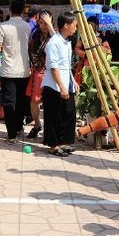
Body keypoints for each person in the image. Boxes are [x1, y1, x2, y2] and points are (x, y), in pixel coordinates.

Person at [0, 0, 32, 144]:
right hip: (24, 70)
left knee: (9, 103)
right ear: (23, 10)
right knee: (21, 101)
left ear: (10, 9)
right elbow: (30, 46)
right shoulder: (27, 27)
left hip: (8, 70)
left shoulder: (3, 27)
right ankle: (18, 127)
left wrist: (7, 50)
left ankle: (11, 134)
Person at [42, 12, 78, 156]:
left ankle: (63, 142)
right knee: (54, 116)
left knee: (68, 113)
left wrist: (72, 80)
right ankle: (53, 145)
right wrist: (62, 86)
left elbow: (66, 66)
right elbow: (53, 67)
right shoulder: (53, 43)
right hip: (54, 85)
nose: (75, 29)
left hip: (65, 82)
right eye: (74, 26)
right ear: (66, 25)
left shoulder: (66, 42)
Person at [26, 11, 54, 139]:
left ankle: (49, 128)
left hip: (51, 72)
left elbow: (57, 44)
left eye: (46, 22)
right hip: (37, 70)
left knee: (49, 102)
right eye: (41, 22)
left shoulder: (54, 35)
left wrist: (49, 26)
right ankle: (37, 124)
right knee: (34, 100)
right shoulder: (35, 34)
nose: (43, 25)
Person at [73, 16, 111, 85]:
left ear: (97, 26)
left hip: (98, 65)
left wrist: (99, 48)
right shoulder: (83, 37)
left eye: (92, 25)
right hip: (84, 65)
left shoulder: (102, 37)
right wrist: (85, 54)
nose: (90, 27)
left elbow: (108, 51)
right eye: (88, 25)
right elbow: (76, 49)